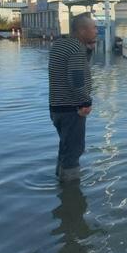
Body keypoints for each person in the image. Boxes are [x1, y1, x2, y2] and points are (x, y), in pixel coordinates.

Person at [48, 13, 97, 182]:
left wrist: (89, 51)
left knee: (65, 148)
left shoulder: (60, 44)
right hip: (72, 109)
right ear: (82, 31)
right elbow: (76, 79)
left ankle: (60, 183)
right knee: (74, 151)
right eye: (94, 28)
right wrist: (86, 101)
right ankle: (71, 195)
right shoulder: (76, 48)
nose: (96, 31)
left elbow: (76, 67)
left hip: (57, 108)